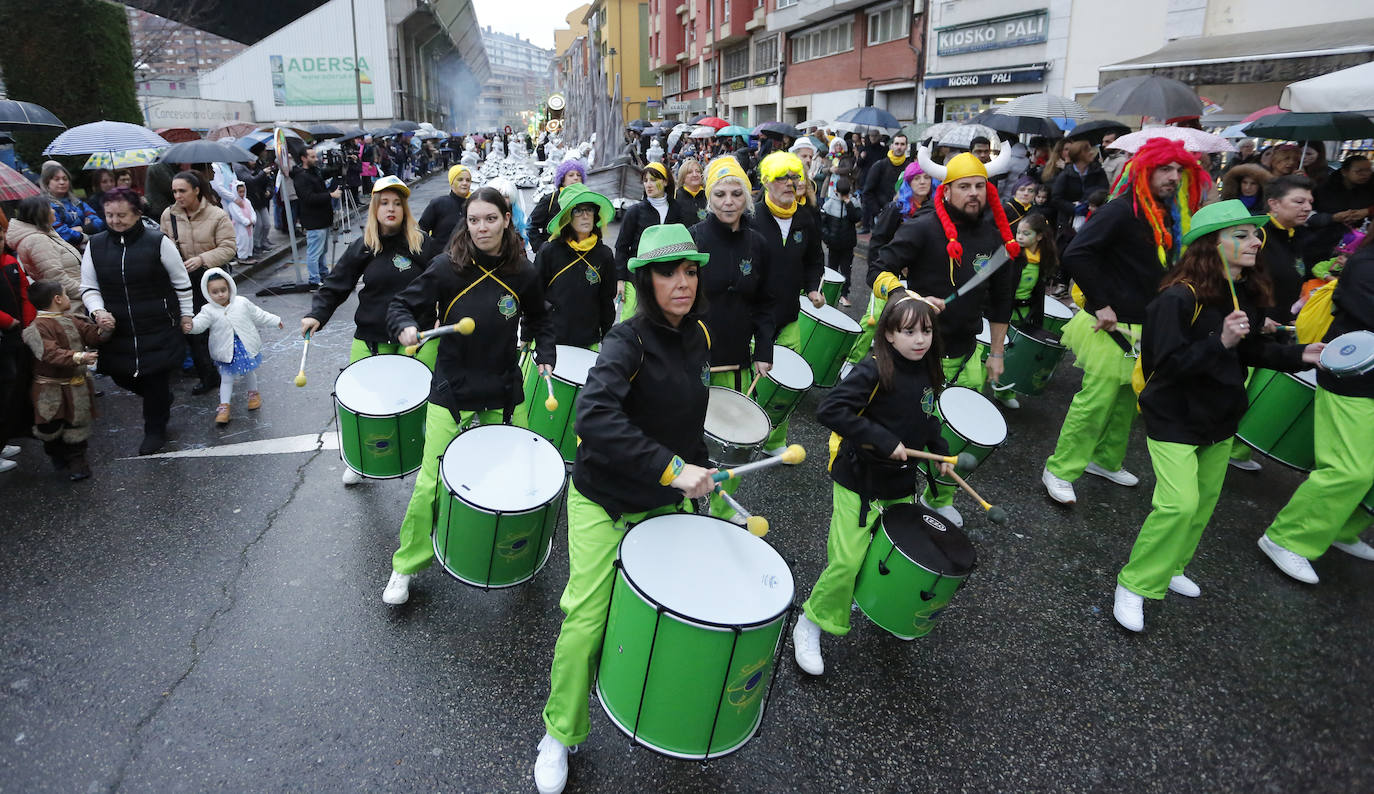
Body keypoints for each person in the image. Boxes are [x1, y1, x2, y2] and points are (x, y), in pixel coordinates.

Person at [533, 224, 716, 794]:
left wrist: (701, 476)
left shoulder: (699, 335)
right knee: (587, 620)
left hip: (663, 501)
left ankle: (650, 706)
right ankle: (559, 732)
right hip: (605, 500)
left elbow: (686, 424)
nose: (681, 283)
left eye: (689, 271)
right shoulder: (626, 341)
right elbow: (594, 418)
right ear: (644, 278)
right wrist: (671, 468)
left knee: (676, 612)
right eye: (668, 272)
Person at [1114, 201, 1322, 631]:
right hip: (1174, 416)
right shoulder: (1176, 298)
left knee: (1203, 504)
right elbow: (1165, 366)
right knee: (1178, 504)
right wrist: (1221, 341)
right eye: (1242, 235)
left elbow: (1251, 350)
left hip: (1221, 415)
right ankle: (1134, 583)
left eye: (1256, 234)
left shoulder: (1243, 291)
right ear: (1213, 244)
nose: (1255, 242)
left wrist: (1301, 354)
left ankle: (1171, 567)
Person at [382, 187, 555, 606]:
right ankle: (405, 565)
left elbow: (540, 317)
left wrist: (545, 352)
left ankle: (516, 556)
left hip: (503, 388)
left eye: (490, 219)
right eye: (474, 219)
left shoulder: (523, 272)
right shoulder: (446, 268)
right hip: (453, 390)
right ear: (467, 222)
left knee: (525, 477)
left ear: (507, 220)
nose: (482, 227)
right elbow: (401, 305)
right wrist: (404, 325)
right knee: (429, 486)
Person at [793, 290, 951, 673]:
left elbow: (926, 416)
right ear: (889, 334)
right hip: (858, 480)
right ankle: (811, 621)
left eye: (926, 331)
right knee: (847, 562)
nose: (919, 340)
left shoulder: (929, 369)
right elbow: (831, 410)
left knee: (893, 556)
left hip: (899, 485)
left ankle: (884, 608)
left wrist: (939, 449)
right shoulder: (875, 368)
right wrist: (882, 439)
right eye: (909, 331)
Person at [1040, 138, 1206, 505]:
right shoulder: (1121, 210)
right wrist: (1101, 304)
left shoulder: (1170, 213)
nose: (1173, 177)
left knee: (1126, 402)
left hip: (1148, 324)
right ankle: (1060, 468)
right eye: (1165, 169)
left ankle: (1105, 459)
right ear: (1146, 170)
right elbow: (1077, 253)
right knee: (1095, 402)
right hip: (1111, 326)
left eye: (1179, 170)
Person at [870, 146, 1018, 527]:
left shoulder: (996, 234)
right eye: (964, 186)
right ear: (947, 190)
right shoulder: (923, 225)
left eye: (980, 186)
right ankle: (887, 492)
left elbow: (1002, 300)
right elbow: (879, 268)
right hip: (918, 352)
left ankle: (940, 495)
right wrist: (906, 297)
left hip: (967, 349)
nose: (973, 194)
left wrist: (997, 353)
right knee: (905, 425)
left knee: (954, 432)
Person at [1255, 232, 1374, 584]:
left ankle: (1339, 528)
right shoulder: (1367, 265)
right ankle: (1287, 539)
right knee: (1349, 470)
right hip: (1355, 381)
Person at [301, 177, 431, 474]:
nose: (391, 208)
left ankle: (415, 454)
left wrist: (440, 313)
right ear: (374, 208)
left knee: (412, 402)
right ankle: (360, 461)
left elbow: (446, 279)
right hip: (372, 337)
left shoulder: (421, 243)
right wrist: (316, 314)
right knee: (363, 405)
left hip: (413, 337)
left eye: (397, 203)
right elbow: (337, 284)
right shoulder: (365, 246)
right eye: (384, 203)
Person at [689, 156, 775, 522]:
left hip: (736, 357)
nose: (728, 201)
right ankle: (684, 499)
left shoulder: (758, 244)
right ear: (709, 198)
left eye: (736, 193)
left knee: (732, 439)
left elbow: (766, 302)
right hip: (694, 355)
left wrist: (765, 349)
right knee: (685, 430)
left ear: (746, 198)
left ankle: (723, 509)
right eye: (720, 194)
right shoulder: (694, 237)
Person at [81, 188, 195, 456]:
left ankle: (154, 431)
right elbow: (88, 287)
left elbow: (181, 283)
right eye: (109, 215)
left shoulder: (157, 241)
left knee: (154, 377)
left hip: (158, 324)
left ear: (137, 214)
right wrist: (98, 311)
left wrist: (186, 315)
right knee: (120, 374)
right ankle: (160, 401)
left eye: (121, 215)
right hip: (117, 327)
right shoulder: (95, 245)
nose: (115, 221)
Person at [755, 151, 825, 456]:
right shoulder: (752, 217)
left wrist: (812, 288)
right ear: (767, 182)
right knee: (753, 379)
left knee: (785, 383)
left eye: (794, 177)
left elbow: (814, 260)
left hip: (789, 316)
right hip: (753, 317)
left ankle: (774, 441)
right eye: (781, 177)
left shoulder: (805, 218)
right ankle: (745, 433)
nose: (789, 183)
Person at [21, 280, 109, 480]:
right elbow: (48, 353)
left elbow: (90, 335)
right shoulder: (36, 328)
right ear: (58, 299)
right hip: (50, 389)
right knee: (50, 426)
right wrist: (79, 357)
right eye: (66, 295)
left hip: (75, 385)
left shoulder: (71, 320)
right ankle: (57, 454)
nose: (70, 298)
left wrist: (103, 328)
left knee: (77, 425)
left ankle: (78, 463)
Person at [161, 170, 236, 396]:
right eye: (174, 191)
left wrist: (202, 259)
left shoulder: (217, 215)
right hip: (184, 279)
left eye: (182, 190)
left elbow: (229, 248)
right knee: (193, 328)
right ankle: (207, 375)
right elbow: (163, 245)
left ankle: (229, 368)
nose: (178, 196)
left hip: (212, 277)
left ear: (196, 190)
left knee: (220, 327)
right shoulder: (169, 215)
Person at [528, 183, 616, 349]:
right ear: (567, 217)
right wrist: (527, 332)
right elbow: (533, 297)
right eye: (578, 210)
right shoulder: (549, 251)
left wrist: (607, 336)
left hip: (587, 342)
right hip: (550, 340)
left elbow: (606, 300)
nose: (585, 215)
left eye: (589, 210)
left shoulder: (604, 255)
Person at [189, 268, 282, 425]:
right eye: (215, 292)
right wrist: (190, 326)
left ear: (230, 287)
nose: (220, 294)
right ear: (207, 293)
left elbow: (258, 314)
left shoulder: (241, 302)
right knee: (226, 378)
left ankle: (253, 394)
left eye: (223, 290)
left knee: (249, 372)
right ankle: (224, 406)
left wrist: (274, 320)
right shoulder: (208, 310)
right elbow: (199, 324)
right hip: (225, 350)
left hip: (245, 345)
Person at [614, 163, 685, 319]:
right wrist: (620, 280)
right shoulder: (635, 211)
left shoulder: (677, 210)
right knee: (631, 321)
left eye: (653, 180)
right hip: (636, 278)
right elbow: (621, 247)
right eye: (645, 181)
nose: (648, 184)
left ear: (665, 182)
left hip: (667, 277)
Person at [1256, 174, 1314, 325]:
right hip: (1258, 325)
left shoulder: (1297, 233)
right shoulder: (1257, 235)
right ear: (1274, 204)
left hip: (1284, 325)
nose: (1308, 208)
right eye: (1299, 201)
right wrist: (1257, 318)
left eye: (1310, 202)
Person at [7, 196, 84, 302]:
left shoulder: (43, 232)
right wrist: (88, 293)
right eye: (49, 208)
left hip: (74, 295)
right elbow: (57, 279)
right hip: (70, 301)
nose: (53, 210)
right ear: (39, 213)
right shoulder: (36, 240)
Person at [0, 244, 33, 474]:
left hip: (15, 333)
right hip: (6, 330)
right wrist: (7, 321)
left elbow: (24, 291)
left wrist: (27, 322)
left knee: (10, 387)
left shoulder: (9, 261)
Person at [292, 147, 341, 286]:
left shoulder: (315, 171)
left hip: (323, 219)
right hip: (314, 220)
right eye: (312, 157)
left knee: (322, 251)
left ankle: (323, 274)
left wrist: (343, 162)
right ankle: (314, 279)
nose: (316, 159)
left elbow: (328, 171)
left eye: (316, 156)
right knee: (314, 252)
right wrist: (330, 195)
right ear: (304, 158)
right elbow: (308, 198)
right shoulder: (301, 176)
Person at [1051, 131, 1110, 241]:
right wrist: (1074, 208)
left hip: (1093, 219)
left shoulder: (1098, 171)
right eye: (1087, 150)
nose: (1092, 152)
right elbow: (1056, 198)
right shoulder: (1066, 175)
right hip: (1069, 223)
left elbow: (1104, 191)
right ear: (1079, 155)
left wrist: (1087, 202)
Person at [528, 159, 586, 254]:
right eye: (571, 175)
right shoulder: (550, 200)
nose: (576, 178)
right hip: (552, 257)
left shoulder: (587, 201)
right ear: (562, 179)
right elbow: (531, 224)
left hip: (578, 255)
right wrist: (541, 247)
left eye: (579, 175)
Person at [41, 163, 104, 248]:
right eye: (57, 179)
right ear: (47, 183)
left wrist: (81, 229)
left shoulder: (78, 203)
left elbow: (99, 223)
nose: (62, 182)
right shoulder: (45, 206)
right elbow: (61, 233)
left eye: (65, 179)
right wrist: (86, 233)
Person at [820, 177, 861, 307]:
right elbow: (822, 224)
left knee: (846, 271)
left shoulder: (854, 202)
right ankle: (827, 294)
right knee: (831, 269)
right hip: (833, 244)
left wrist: (848, 203)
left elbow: (856, 218)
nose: (843, 196)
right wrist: (828, 238)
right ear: (836, 190)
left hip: (847, 244)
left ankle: (844, 295)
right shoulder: (829, 204)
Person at [418, 164, 472, 258]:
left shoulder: (473, 206)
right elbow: (421, 230)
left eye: (468, 180)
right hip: (440, 260)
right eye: (460, 179)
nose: (465, 183)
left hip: (465, 260)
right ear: (451, 182)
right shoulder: (439, 203)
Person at [861, 133, 910, 232]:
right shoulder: (880, 166)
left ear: (906, 147)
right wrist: (878, 212)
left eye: (902, 144)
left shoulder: (909, 167)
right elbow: (867, 192)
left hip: (904, 217)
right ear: (891, 146)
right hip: (882, 216)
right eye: (896, 144)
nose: (899, 147)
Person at [226, 181, 256, 264]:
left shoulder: (247, 201)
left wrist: (253, 219)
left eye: (243, 191)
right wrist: (245, 221)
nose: (242, 194)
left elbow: (252, 211)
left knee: (249, 239)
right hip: (240, 226)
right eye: (240, 192)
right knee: (242, 240)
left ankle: (249, 254)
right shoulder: (233, 204)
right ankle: (242, 256)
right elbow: (237, 215)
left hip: (249, 225)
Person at [674, 157, 707, 224]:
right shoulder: (676, 197)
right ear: (682, 177)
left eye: (698, 171)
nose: (695, 175)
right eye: (689, 172)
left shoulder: (708, 195)